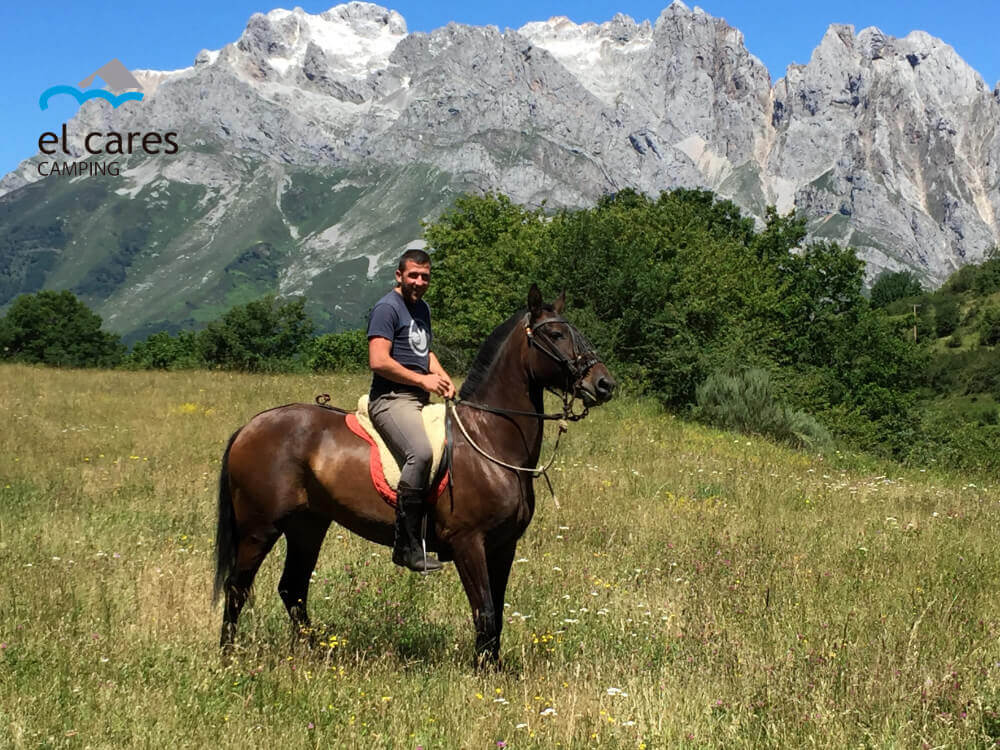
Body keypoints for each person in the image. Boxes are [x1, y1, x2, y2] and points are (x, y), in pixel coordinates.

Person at [367, 247, 456, 572]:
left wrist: (442, 378)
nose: (419, 282)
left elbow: (423, 352)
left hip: (419, 397)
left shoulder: (422, 309)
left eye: (425, 277)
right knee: (420, 453)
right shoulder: (387, 308)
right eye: (413, 276)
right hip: (391, 399)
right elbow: (378, 360)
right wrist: (423, 381)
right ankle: (405, 546)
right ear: (399, 275)